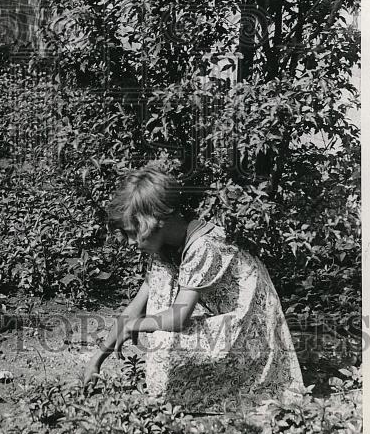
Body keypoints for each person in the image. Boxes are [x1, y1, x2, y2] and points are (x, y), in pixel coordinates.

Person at [83, 166, 305, 412]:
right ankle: (180, 391)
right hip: (225, 319)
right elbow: (134, 308)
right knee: (158, 298)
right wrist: (97, 360)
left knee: (166, 338)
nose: (132, 243)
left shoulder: (204, 246)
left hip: (252, 328)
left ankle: (213, 392)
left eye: (134, 233)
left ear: (156, 222)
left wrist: (136, 326)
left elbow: (178, 318)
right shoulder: (165, 248)